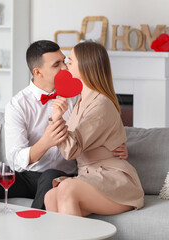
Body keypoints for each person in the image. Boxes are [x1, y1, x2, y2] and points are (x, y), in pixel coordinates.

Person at [0, 40, 127, 210]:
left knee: (50, 176)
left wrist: (116, 145)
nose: (65, 68)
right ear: (38, 72)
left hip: (62, 175)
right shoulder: (17, 105)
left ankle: (34, 229)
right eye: (57, 64)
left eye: (65, 61)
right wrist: (45, 143)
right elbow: (14, 161)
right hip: (26, 175)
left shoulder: (78, 97)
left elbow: (102, 123)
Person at [44, 41, 144, 216]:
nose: (66, 65)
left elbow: (70, 151)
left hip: (114, 180)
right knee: (51, 196)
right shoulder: (80, 101)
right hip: (90, 176)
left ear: (84, 66)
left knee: (67, 188)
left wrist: (57, 118)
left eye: (70, 61)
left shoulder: (101, 105)